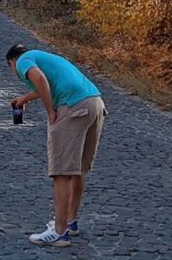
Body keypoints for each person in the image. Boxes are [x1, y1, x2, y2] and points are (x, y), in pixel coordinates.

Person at [6, 44, 107, 248]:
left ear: (11, 62)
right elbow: (47, 83)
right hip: (94, 103)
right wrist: (26, 98)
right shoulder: (43, 56)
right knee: (77, 169)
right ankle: (70, 223)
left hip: (73, 107)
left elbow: (41, 80)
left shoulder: (22, 61)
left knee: (62, 172)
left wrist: (51, 111)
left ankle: (59, 233)